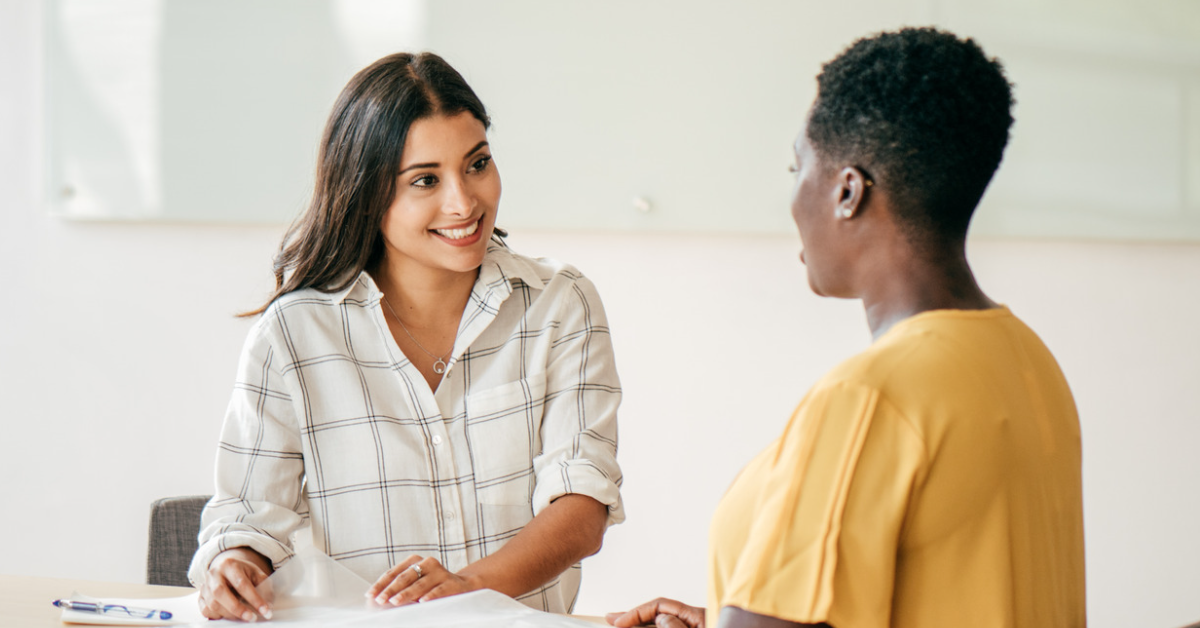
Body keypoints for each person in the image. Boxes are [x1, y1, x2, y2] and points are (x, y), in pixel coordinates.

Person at [608, 27, 1085, 628]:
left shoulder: (869, 397)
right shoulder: (1028, 364)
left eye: (796, 167)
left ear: (847, 191)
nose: (791, 198)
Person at [188, 52, 624, 621]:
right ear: (367, 192)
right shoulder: (295, 335)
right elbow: (245, 514)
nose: (464, 203)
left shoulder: (559, 304)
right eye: (425, 180)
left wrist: (464, 588)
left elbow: (581, 506)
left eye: (477, 164)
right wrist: (234, 563)